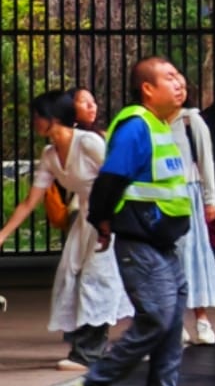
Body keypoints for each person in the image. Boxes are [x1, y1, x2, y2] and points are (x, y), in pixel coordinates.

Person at [64, 56, 200, 386]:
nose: (180, 82)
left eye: (179, 75)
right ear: (147, 88)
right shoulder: (136, 126)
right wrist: (102, 220)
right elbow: (111, 178)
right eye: (169, 77)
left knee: (171, 327)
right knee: (156, 318)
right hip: (140, 244)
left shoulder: (161, 126)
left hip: (163, 245)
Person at [0, 91, 130, 370]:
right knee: (71, 275)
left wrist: (108, 219)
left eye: (38, 116)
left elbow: (117, 177)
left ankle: (89, 352)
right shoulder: (49, 155)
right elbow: (29, 201)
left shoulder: (88, 142)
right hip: (85, 217)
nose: (34, 122)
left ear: (54, 118)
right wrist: (3, 234)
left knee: (97, 279)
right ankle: (87, 346)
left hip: (107, 216)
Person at [171, 87, 215, 346]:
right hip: (163, 196)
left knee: (193, 258)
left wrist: (209, 200)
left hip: (189, 195)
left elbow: (206, 161)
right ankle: (176, 322)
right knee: (170, 259)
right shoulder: (149, 122)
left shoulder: (191, 120)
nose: (177, 90)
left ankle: (202, 319)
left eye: (180, 85)